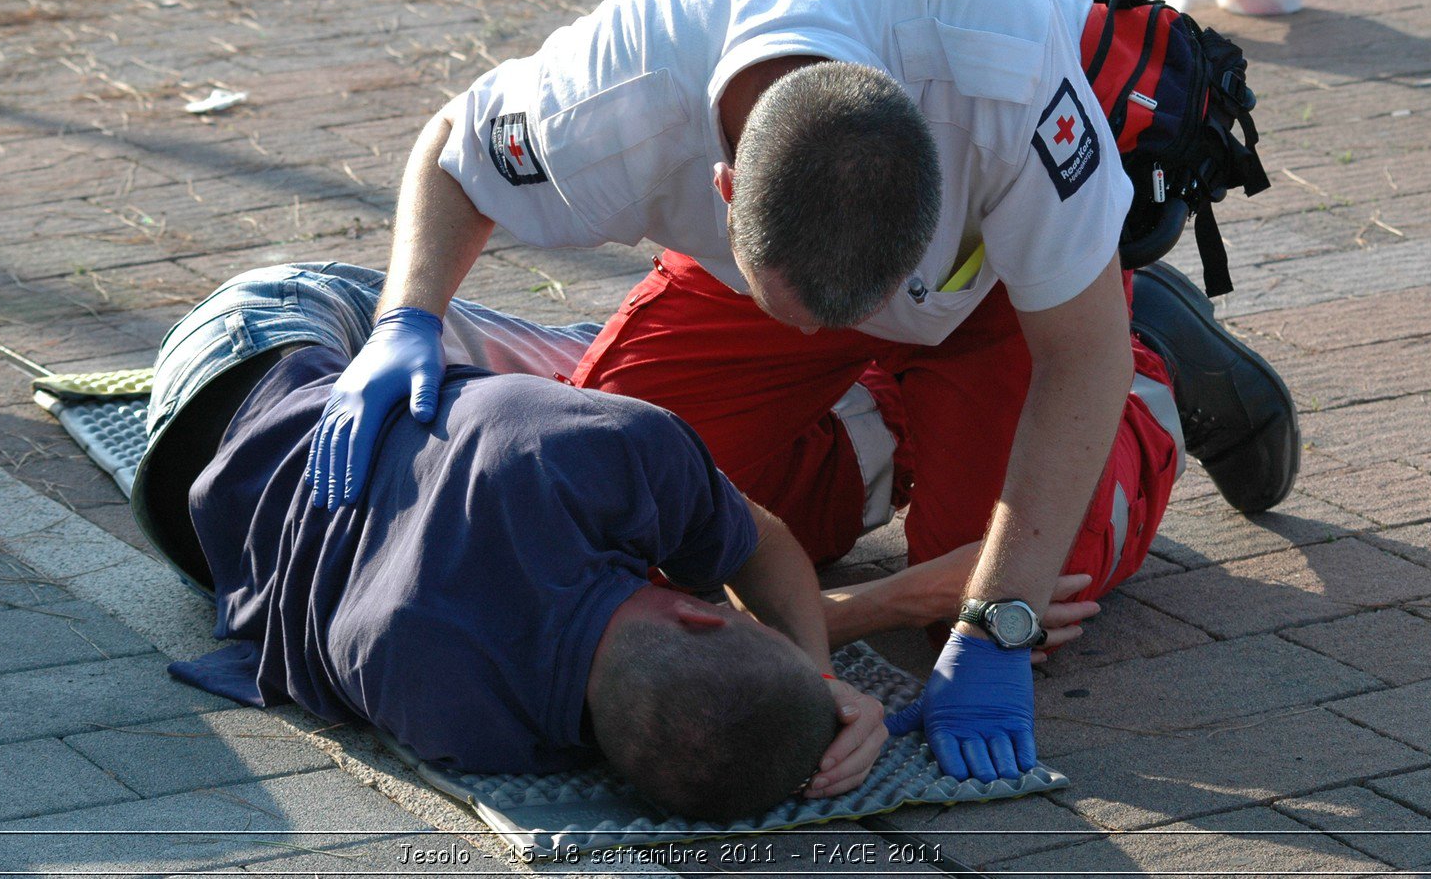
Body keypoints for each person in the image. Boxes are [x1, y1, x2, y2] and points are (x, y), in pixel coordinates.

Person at [308, 0, 1299, 783]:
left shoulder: (1005, 84)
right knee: (631, 510)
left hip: (996, 290)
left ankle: (1156, 369)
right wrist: (408, 318)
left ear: (935, 188)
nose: (845, 336)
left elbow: (1076, 361)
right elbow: (451, 153)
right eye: (818, 322)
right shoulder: (616, 97)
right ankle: (890, 421)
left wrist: (996, 624)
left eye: (865, 312)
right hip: (793, 257)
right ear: (725, 187)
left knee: (1039, 571)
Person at [129, 263, 888, 821]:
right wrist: (812, 691)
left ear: (698, 614)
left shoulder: (610, 449)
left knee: (603, 361)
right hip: (181, 516)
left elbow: (762, 543)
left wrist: (809, 680)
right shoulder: (472, 733)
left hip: (260, 336)